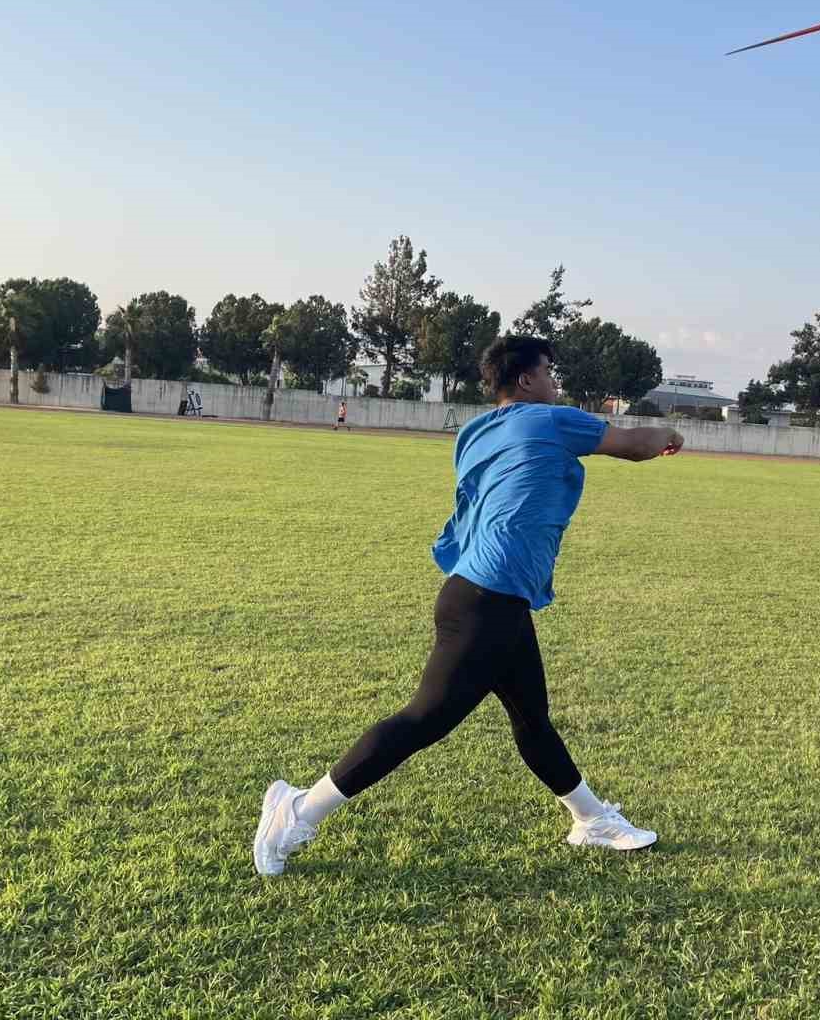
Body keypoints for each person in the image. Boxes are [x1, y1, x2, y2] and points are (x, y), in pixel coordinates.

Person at [254, 334, 684, 873]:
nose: (555, 381)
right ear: (525, 379)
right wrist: (670, 433)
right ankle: (298, 810)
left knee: (532, 720)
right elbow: (634, 443)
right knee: (422, 720)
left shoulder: (475, 433)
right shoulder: (548, 419)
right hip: (487, 598)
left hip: (479, 591)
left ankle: (591, 819)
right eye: (549, 370)